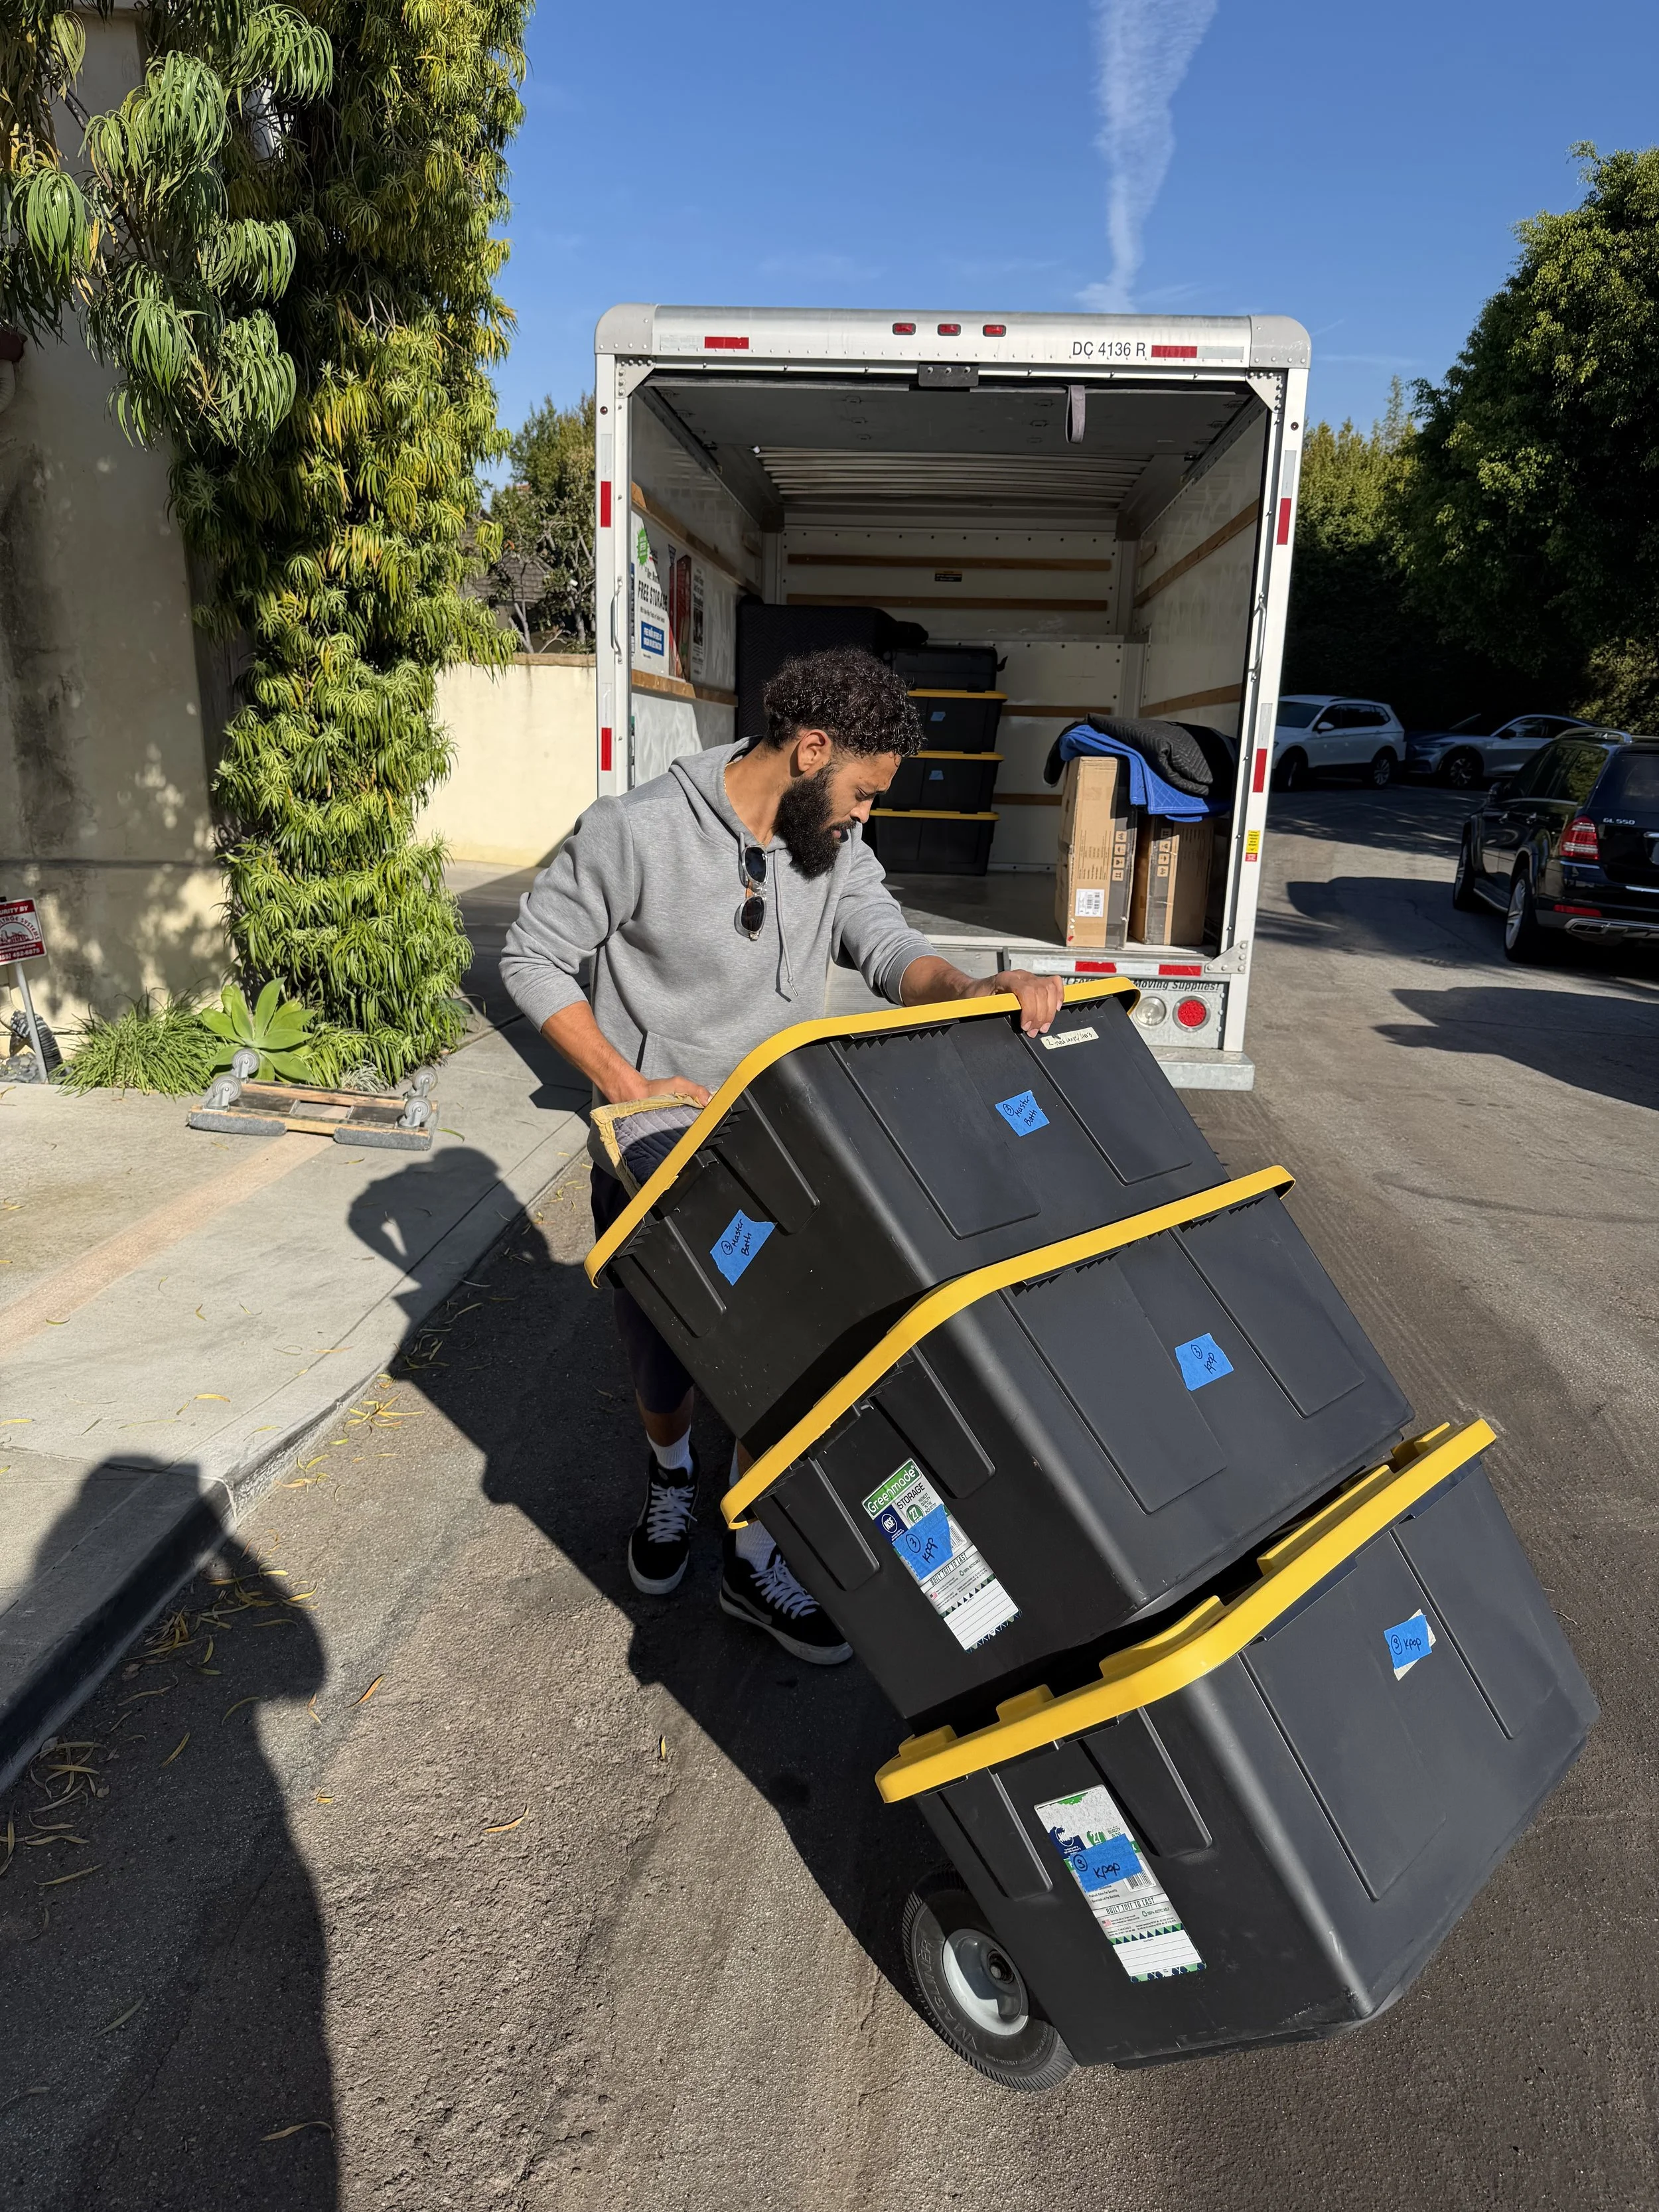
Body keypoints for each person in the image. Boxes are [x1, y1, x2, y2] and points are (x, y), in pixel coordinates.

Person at [500, 646, 1063, 1663]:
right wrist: (623, 1084)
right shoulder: (635, 833)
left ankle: (754, 1547)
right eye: (860, 792)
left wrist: (967, 989)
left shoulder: (830, 850)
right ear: (811, 750)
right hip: (659, 1149)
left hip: (786, 1143)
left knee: (793, 1350)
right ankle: (672, 1478)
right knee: (663, 1350)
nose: (863, 818)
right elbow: (532, 955)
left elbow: (888, 946)